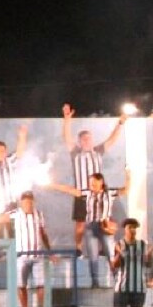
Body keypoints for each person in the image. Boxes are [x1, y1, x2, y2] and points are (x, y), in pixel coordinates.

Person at [61, 102, 127, 254]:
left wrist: (120, 123)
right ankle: (78, 249)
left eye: (89, 139)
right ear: (79, 141)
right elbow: (66, 138)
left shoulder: (98, 151)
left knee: (104, 221)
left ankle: (105, 248)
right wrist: (67, 120)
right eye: (83, 139)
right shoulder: (75, 153)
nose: (87, 141)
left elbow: (112, 139)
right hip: (82, 194)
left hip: (99, 193)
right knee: (80, 225)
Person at [47, 170, 130, 288]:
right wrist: (54, 185)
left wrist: (128, 176)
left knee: (111, 255)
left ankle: (117, 279)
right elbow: (71, 190)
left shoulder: (109, 193)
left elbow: (125, 190)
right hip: (91, 227)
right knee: (93, 256)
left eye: (94, 183)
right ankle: (95, 282)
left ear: (101, 182)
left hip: (104, 227)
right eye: (90, 183)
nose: (92, 186)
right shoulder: (87, 193)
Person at [11, 192, 52, 307]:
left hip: (37, 255)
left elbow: (43, 233)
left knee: (41, 284)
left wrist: (50, 251)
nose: (28, 205)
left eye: (30, 202)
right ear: (21, 203)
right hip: (21, 255)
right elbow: (0, 220)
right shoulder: (15, 214)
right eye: (26, 203)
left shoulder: (39, 214)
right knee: (21, 285)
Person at [110, 219, 153, 307]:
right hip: (122, 289)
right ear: (125, 229)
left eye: (134, 228)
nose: (133, 230)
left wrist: (149, 255)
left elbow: (148, 264)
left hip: (139, 289)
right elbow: (114, 266)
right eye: (130, 227)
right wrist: (119, 253)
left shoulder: (142, 244)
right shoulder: (119, 244)